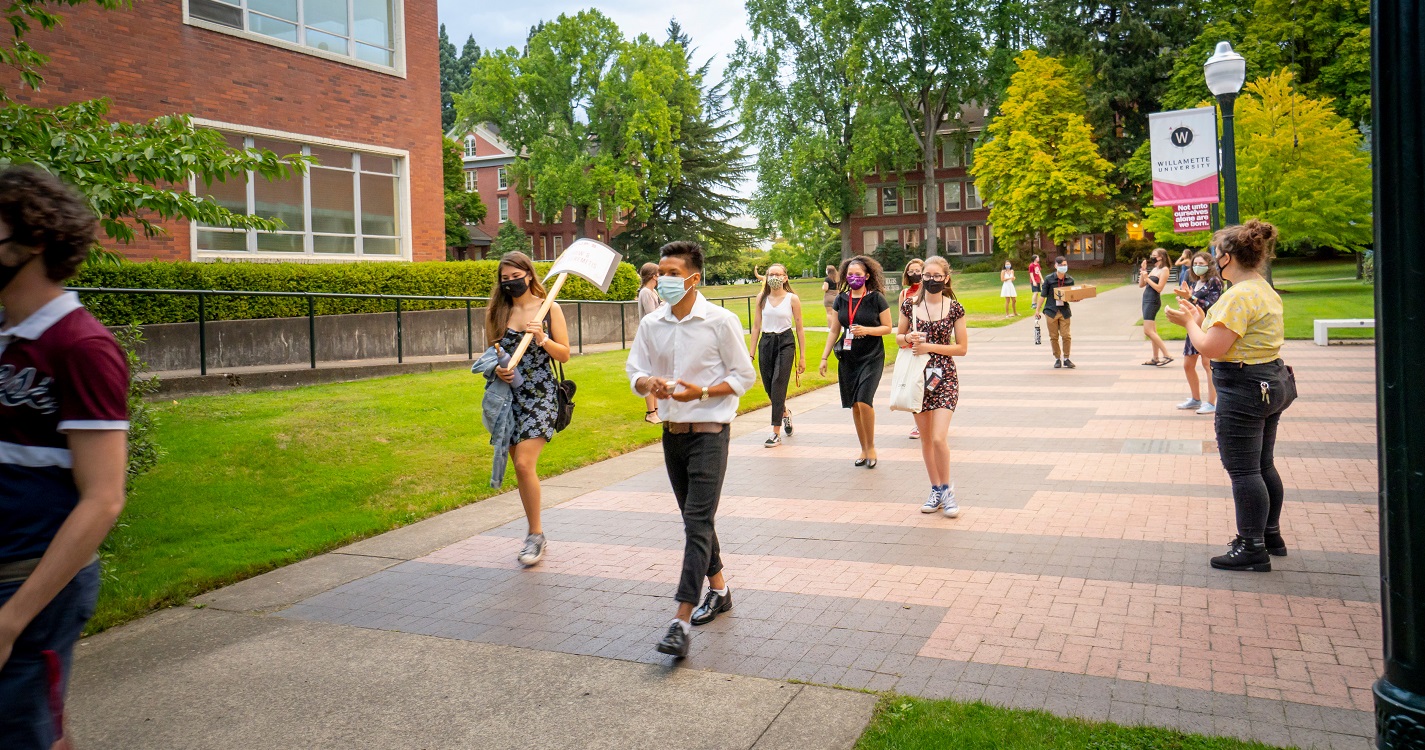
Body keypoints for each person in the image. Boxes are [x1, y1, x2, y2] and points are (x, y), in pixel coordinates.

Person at [0, 166, 128, 750]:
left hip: (30, 584)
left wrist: (13, 618)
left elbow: (103, 499)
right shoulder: (6, 335)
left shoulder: (81, 347)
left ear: (35, 241)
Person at [626, 241, 756, 658]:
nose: (662, 279)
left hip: (710, 433)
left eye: (671, 273)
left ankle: (679, 621)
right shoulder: (652, 324)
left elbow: (743, 376)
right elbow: (636, 370)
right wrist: (649, 384)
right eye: (659, 272)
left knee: (696, 522)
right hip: (672, 435)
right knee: (694, 519)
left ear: (693, 278)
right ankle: (720, 590)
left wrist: (702, 391)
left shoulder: (720, 321)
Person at [1166, 220, 1294, 572]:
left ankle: (1251, 546)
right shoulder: (1261, 289)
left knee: (1244, 470)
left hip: (1244, 390)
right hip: (1270, 382)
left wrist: (1189, 324)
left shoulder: (1238, 295)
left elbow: (1212, 347)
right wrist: (1201, 316)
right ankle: (1270, 535)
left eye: (1215, 254)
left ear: (1225, 258)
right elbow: (1233, 333)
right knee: (1263, 464)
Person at [485, 252, 572, 567]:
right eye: (505, 279)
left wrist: (542, 338)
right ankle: (535, 531)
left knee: (523, 463)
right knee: (522, 469)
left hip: (541, 394)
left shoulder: (550, 309)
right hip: (511, 398)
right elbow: (492, 354)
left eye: (515, 276)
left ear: (529, 274)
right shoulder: (498, 311)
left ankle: (535, 535)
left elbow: (564, 355)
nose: (511, 283)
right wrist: (499, 370)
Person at [895, 256, 969, 518]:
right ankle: (935, 489)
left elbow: (961, 348)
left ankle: (948, 491)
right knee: (926, 439)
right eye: (927, 275)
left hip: (944, 375)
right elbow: (898, 338)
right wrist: (908, 338)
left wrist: (929, 347)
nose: (931, 280)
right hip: (918, 376)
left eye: (937, 276)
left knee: (938, 437)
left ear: (946, 278)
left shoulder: (955, 308)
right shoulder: (909, 305)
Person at [819, 255, 893, 467]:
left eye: (858, 275)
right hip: (849, 357)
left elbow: (887, 327)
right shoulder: (841, 299)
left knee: (864, 400)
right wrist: (824, 357)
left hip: (871, 356)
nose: (853, 278)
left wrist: (867, 330)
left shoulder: (876, 298)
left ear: (867, 276)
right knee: (854, 405)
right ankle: (863, 448)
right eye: (850, 275)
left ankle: (871, 448)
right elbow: (834, 329)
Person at [749, 263, 807, 447]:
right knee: (769, 386)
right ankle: (784, 413)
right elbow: (756, 326)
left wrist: (803, 356)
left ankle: (775, 432)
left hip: (785, 342)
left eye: (778, 274)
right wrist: (751, 353)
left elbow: (799, 327)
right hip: (766, 342)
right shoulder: (762, 298)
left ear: (785, 278)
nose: (774, 277)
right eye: (771, 274)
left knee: (778, 384)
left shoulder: (792, 299)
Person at [1175, 251, 1223, 415]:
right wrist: (1184, 299)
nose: (1197, 267)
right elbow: (1193, 303)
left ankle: (1211, 402)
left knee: (1207, 364)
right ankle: (1195, 399)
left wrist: (1192, 298)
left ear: (1209, 265)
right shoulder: (1195, 282)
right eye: (1196, 264)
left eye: (1202, 264)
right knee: (1188, 364)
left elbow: (1213, 304)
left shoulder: (1214, 281)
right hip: (1194, 326)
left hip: (1207, 327)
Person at [898, 259, 925, 441]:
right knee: (913, 383)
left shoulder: (929, 290)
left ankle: (931, 418)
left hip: (926, 340)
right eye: (911, 271)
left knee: (927, 382)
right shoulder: (905, 293)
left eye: (918, 270)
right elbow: (901, 317)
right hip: (910, 340)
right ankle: (918, 422)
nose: (914, 273)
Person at [1036, 256, 1076, 369]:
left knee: (1066, 335)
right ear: (1056, 266)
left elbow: (1071, 296)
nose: (1064, 267)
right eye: (1061, 265)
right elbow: (1043, 296)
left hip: (1064, 311)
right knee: (1053, 336)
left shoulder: (1069, 280)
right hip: (1051, 310)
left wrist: (1076, 299)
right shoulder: (1049, 279)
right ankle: (1057, 358)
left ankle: (1066, 358)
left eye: (1065, 265)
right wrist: (1037, 310)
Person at [637, 262, 662, 424]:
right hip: (648, 338)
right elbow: (651, 316)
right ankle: (650, 412)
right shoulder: (646, 292)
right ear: (654, 276)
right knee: (649, 376)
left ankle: (657, 411)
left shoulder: (653, 293)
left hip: (655, 338)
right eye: (659, 274)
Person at [1139, 248, 1172, 366]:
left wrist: (1147, 278)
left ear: (1161, 257)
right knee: (1153, 331)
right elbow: (1141, 285)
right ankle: (1155, 358)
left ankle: (1167, 355)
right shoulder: (1154, 269)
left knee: (1148, 331)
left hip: (1153, 300)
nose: (1152, 257)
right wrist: (1143, 271)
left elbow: (1159, 288)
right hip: (1146, 299)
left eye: (1154, 255)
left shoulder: (1164, 270)